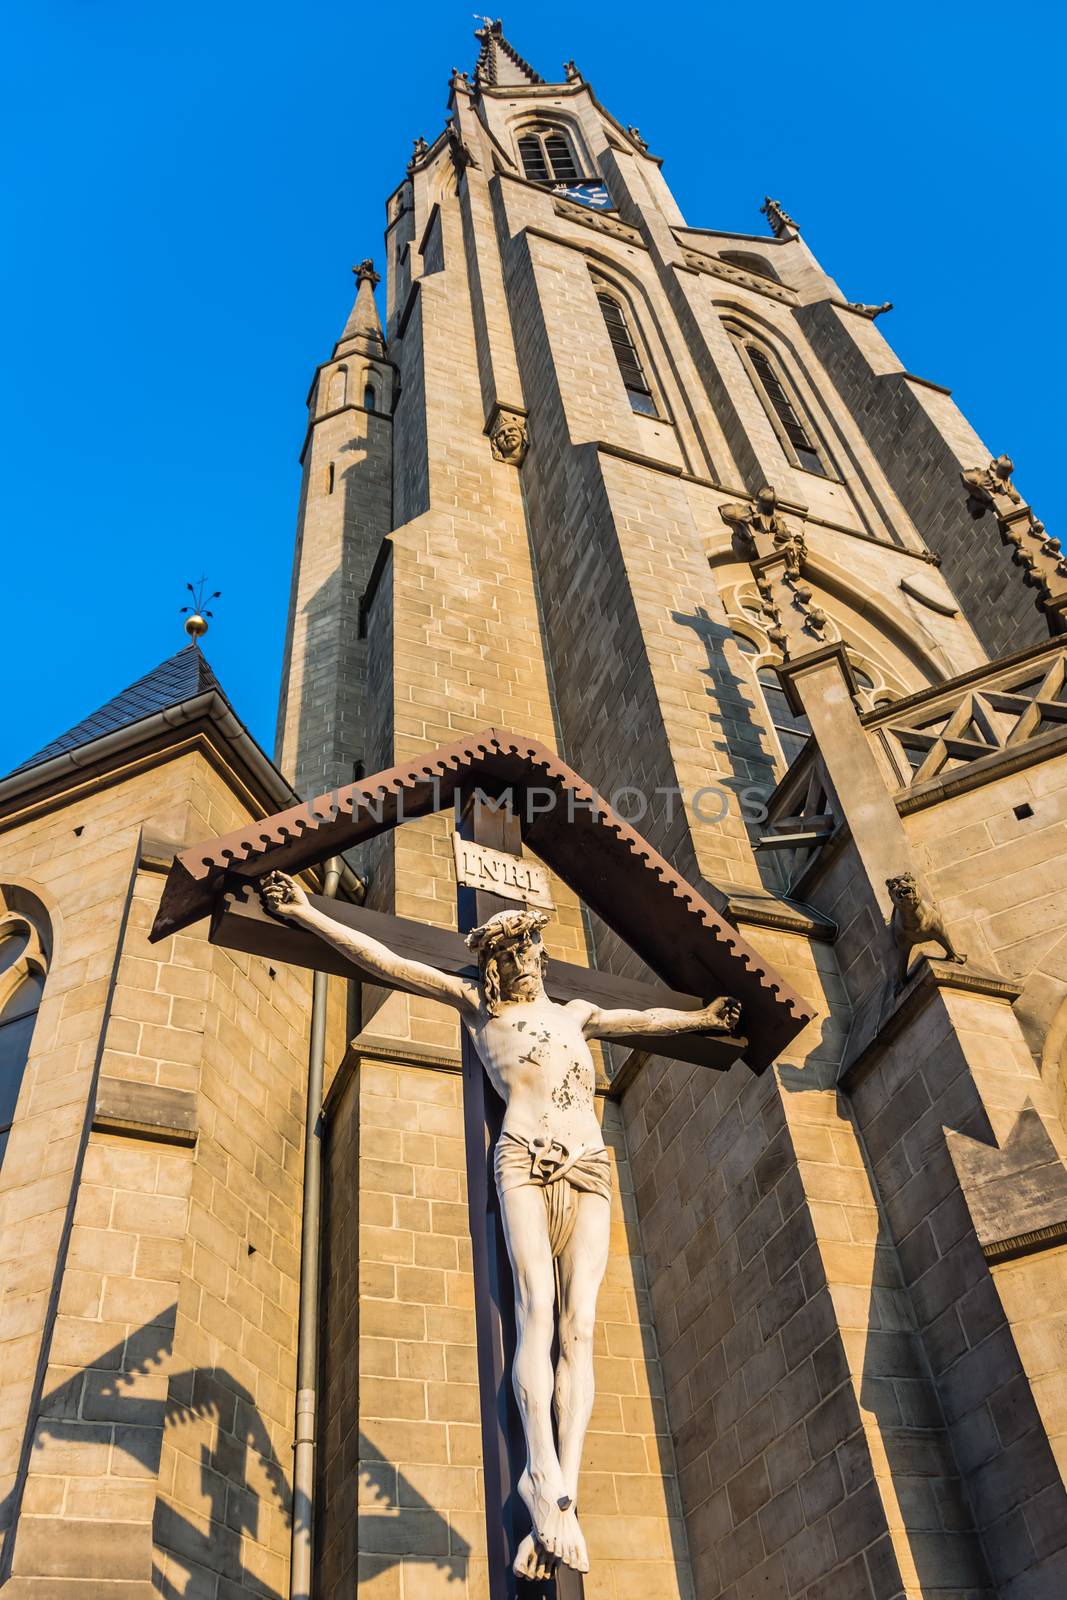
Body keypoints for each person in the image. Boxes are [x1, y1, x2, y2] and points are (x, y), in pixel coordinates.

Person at [258, 870, 741, 1578]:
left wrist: (701, 1021)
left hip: (588, 1162)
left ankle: (561, 1496)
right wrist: (305, 913)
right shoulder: (474, 1006)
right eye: (499, 957)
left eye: (520, 954)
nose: (510, 966)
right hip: (522, 1160)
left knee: (580, 1326)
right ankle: (536, 1476)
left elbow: (642, 1022)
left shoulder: (575, 1014)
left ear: (539, 958)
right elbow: (386, 960)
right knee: (534, 1312)